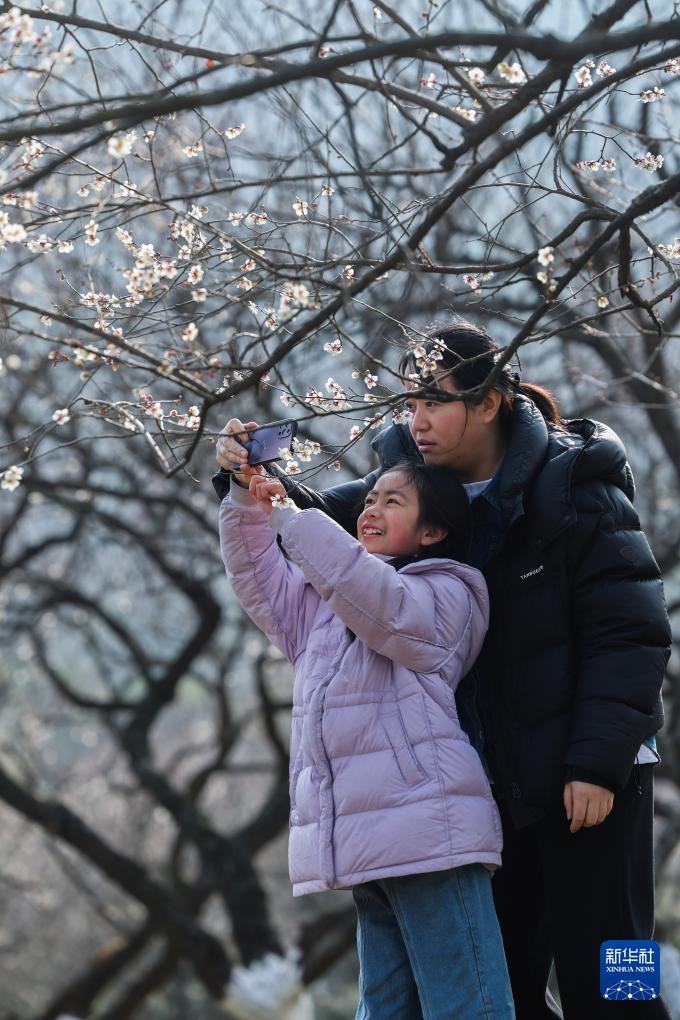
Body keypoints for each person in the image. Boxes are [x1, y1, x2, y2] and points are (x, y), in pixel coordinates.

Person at [214, 320, 672, 1019]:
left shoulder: (575, 486)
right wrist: (244, 481)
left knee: (616, 974)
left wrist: (598, 761)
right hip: (494, 787)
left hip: (598, 779)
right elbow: (324, 544)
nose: (418, 420)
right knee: (505, 985)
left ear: (489, 402)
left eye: (435, 401)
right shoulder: (406, 488)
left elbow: (630, 632)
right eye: (410, 403)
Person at [218, 455, 515, 1020]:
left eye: (393, 502)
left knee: (468, 1008)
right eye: (370, 499)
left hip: (429, 835)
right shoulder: (326, 607)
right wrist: (244, 497)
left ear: (433, 532)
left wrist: (289, 512)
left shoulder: (448, 592)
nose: (371, 510)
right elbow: (257, 577)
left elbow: (381, 603)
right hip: (366, 841)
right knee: (383, 1011)